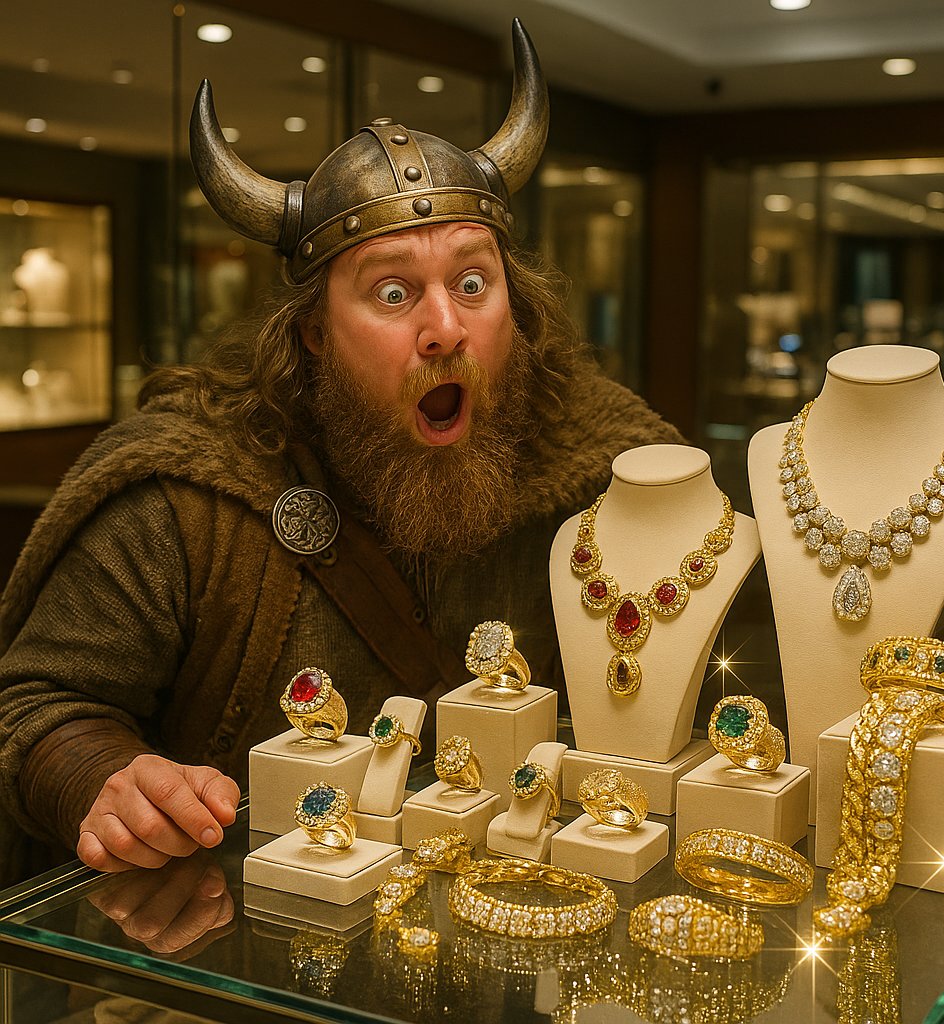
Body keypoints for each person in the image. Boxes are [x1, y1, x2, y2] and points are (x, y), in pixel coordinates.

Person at [0, 21, 680, 875]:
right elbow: (37, 703)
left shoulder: (614, 470)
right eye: (393, 292)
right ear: (316, 334)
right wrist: (106, 776)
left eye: (473, 282)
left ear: (518, 300)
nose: (445, 327)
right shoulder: (184, 495)